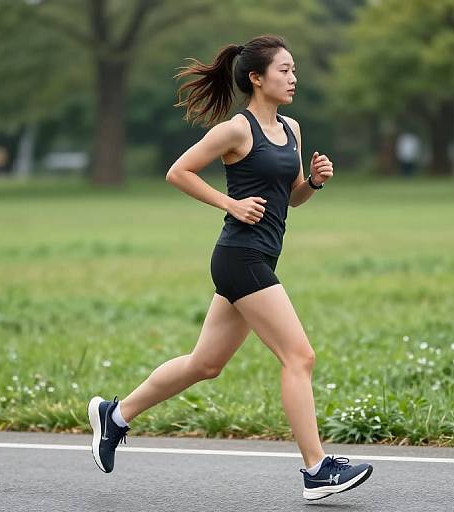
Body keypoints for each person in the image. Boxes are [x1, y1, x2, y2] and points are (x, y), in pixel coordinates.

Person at [88, 34, 373, 501]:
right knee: (299, 357)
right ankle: (317, 469)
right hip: (239, 257)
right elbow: (178, 171)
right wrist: (230, 203)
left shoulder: (292, 129)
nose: (293, 77)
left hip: (260, 254)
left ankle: (114, 417)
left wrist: (315, 183)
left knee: (205, 364)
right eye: (284, 70)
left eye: (294, 69)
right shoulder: (235, 130)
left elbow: (292, 197)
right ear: (257, 78)